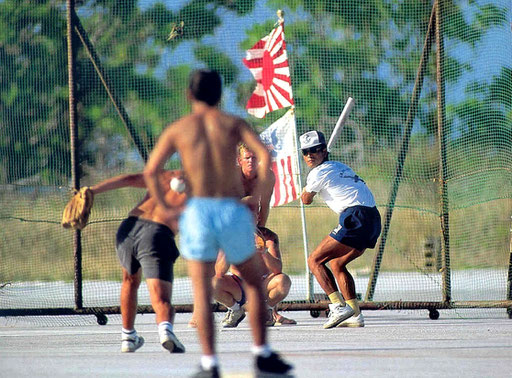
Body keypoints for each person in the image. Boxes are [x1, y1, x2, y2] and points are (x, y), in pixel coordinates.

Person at [144, 69, 293, 378]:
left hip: (198, 211)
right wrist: (258, 196)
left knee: (201, 289)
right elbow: (264, 154)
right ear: (219, 95)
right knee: (254, 283)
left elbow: (151, 171)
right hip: (230, 209)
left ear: (189, 95)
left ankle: (210, 363)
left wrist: (168, 211)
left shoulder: (179, 129)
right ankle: (262, 354)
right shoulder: (232, 124)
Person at [87, 170, 186, 353]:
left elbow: (129, 178)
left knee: (129, 281)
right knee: (161, 298)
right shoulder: (205, 185)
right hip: (157, 234)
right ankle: (165, 331)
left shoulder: (168, 175)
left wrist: (92, 191)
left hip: (128, 228)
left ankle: (128, 336)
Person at [300, 130, 381, 329]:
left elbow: (306, 200)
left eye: (315, 150)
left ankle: (337, 306)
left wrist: (304, 189)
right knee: (336, 264)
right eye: (306, 152)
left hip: (356, 215)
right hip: (373, 218)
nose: (310, 155)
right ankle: (354, 314)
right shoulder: (340, 166)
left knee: (314, 260)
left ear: (324, 150)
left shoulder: (317, 173)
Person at [213, 144, 295, 328]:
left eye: (255, 158)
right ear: (239, 160)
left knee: (281, 279)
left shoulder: (267, 177)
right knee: (209, 278)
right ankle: (232, 310)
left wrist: (259, 237)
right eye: (247, 158)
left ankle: (267, 310)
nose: (251, 162)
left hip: (262, 282)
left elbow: (263, 207)